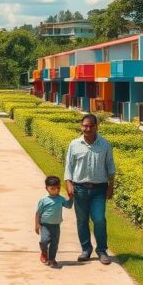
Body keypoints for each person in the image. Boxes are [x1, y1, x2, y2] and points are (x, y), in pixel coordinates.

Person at [63, 113, 116, 265]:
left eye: (90, 126)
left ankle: (102, 250)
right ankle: (86, 249)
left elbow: (110, 167)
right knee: (82, 221)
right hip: (79, 189)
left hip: (99, 189)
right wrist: (69, 183)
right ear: (81, 127)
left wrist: (111, 186)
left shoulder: (105, 144)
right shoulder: (74, 144)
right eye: (84, 126)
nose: (87, 129)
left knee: (99, 219)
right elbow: (69, 166)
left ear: (96, 127)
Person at [34, 175, 73, 268]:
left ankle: (52, 259)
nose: (56, 191)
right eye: (52, 188)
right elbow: (38, 213)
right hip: (45, 225)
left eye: (58, 188)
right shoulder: (43, 200)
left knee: (54, 243)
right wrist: (36, 225)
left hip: (56, 225)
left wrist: (71, 198)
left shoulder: (61, 199)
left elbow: (68, 206)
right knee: (44, 240)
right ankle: (44, 252)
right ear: (47, 188)